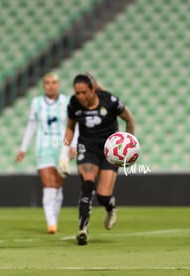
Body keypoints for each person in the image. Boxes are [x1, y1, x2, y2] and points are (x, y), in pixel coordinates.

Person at [60, 73, 135, 245]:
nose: (80, 97)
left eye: (84, 92)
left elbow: (129, 119)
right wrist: (64, 152)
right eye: (77, 93)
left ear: (93, 90)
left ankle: (110, 206)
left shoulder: (110, 101)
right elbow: (70, 128)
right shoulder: (73, 104)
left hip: (110, 149)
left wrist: (129, 143)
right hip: (88, 147)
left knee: (103, 195)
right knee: (87, 184)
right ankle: (82, 229)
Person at [15, 73, 77, 234]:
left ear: (58, 84)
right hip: (43, 146)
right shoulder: (37, 103)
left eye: (54, 82)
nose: (51, 85)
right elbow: (31, 126)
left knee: (57, 185)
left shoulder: (67, 101)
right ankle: (51, 223)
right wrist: (23, 148)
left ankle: (53, 218)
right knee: (48, 184)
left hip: (62, 147)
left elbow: (73, 125)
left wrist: (74, 145)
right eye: (47, 83)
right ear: (44, 86)